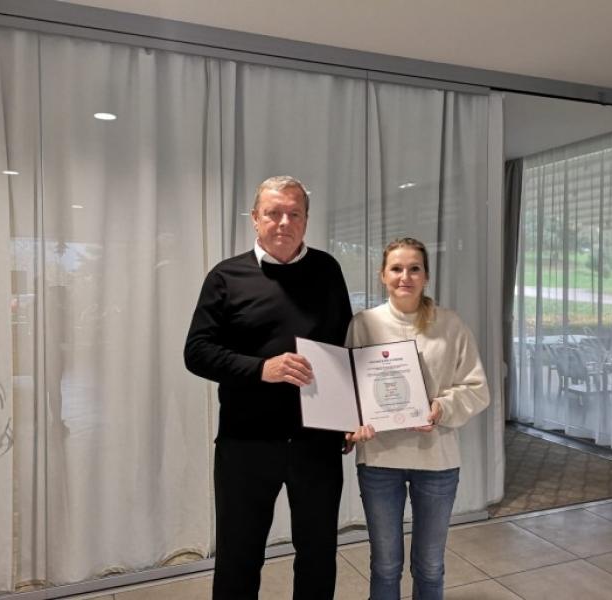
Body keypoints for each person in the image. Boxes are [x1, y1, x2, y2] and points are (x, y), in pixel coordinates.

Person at [184, 175, 352, 600]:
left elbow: (343, 348)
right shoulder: (226, 276)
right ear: (255, 218)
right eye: (273, 213)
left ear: (306, 220)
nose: (284, 222)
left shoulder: (328, 270)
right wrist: (262, 369)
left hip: (317, 443)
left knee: (318, 556)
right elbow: (197, 352)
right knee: (239, 558)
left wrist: (351, 415)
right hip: (246, 444)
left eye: (294, 213)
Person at [346, 237, 490, 600]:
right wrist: (354, 423)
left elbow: (477, 389)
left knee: (429, 566)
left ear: (426, 276)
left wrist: (441, 408)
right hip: (379, 460)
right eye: (396, 268)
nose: (405, 276)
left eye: (414, 269)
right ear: (382, 275)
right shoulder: (364, 323)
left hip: (436, 461)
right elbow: (349, 390)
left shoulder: (450, 324)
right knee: (385, 566)